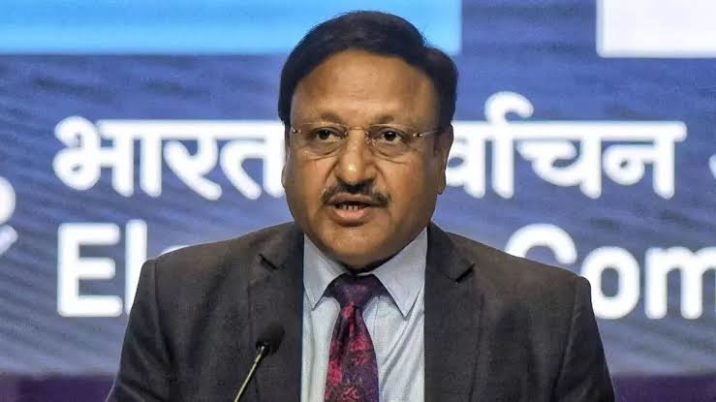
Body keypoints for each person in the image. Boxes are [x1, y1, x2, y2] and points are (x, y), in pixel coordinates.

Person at [108, 10, 614, 402]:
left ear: (440, 155)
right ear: (287, 150)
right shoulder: (182, 299)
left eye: (389, 136)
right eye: (324, 135)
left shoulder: (543, 317)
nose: (352, 170)